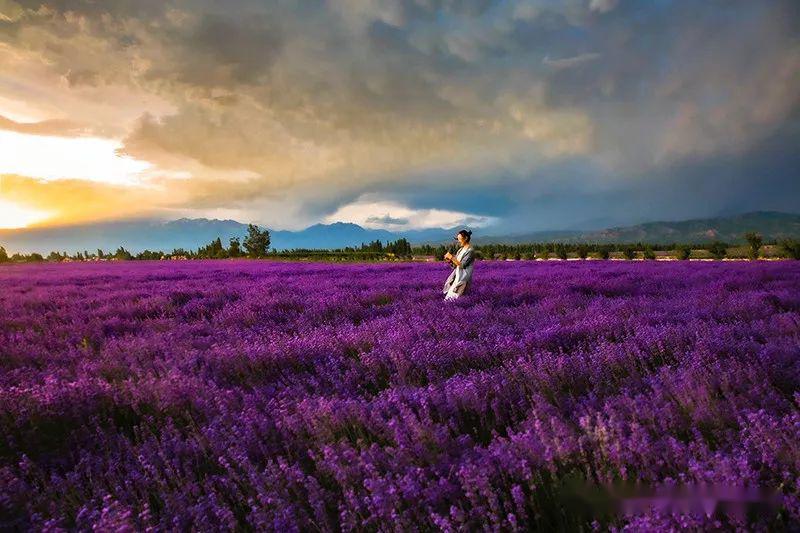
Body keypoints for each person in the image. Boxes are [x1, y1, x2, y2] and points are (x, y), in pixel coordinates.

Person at [442, 229, 475, 300]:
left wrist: (452, 257)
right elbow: (455, 265)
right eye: (458, 239)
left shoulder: (470, 251)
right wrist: (449, 260)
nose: (458, 241)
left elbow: (462, 265)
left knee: (455, 299)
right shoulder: (460, 250)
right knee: (448, 299)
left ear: (466, 238)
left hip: (463, 279)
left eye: (460, 239)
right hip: (456, 278)